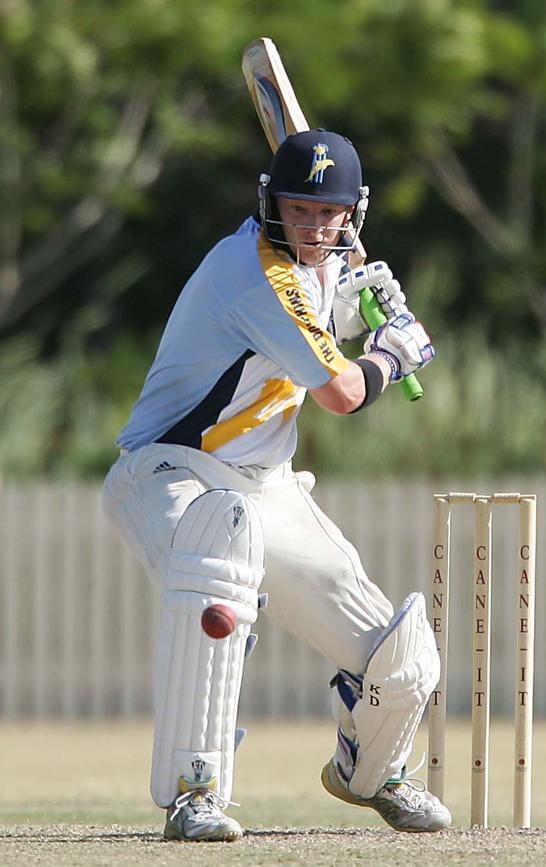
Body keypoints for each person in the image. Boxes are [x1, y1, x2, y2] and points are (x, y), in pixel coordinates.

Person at [102, 129, 451, 842]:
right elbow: (344, 393)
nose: (315, 227)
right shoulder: (253, 271)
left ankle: (371, 770)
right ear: (270, 204)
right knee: (219, 557)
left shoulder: (319, 263)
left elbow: (305, 326)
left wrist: (347, 308)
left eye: (329, 214)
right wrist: (391, 350)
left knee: (403, 658)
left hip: (268, 485)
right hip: (171, 472)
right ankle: (192, 791)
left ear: (354, 212)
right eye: (299, 211)